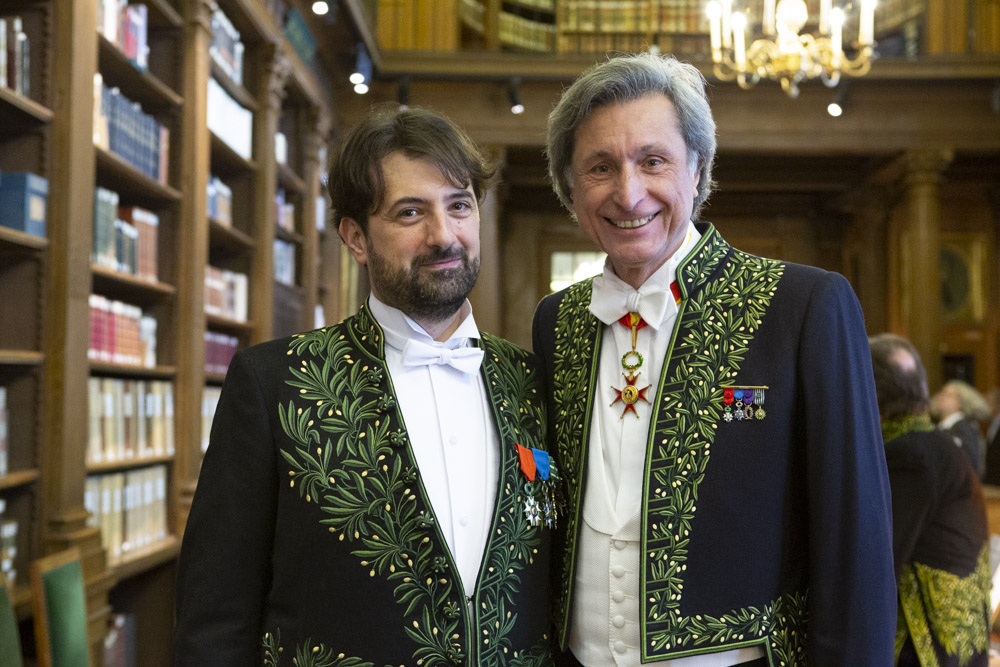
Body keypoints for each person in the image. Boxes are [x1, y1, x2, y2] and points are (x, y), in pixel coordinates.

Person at [531, 52, 896, 665]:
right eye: (600, 167)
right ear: (571, 188)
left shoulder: (803, 306)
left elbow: (855, 543)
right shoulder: (555, 321)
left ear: (697, 171)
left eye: (653, 161)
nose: (628, 192)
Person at [174, 104, 556, 665]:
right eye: (410, 213)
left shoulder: (532, 380)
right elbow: (214, 618)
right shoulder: (274, 384)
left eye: (459, 205)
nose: (444, 235)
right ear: (355, 238)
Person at [869, 333, 990, 667]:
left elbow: (878, 560)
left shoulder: (910, 453)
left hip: (926, 645)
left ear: (872, 395)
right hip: (958, 640)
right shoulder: (935, 445)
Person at [931, 379, 991, 478]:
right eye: (942, 392)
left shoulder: (965, 428)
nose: (942, 396)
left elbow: (970, 463)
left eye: (948, 395)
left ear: (961, 401)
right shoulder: (938, 427)